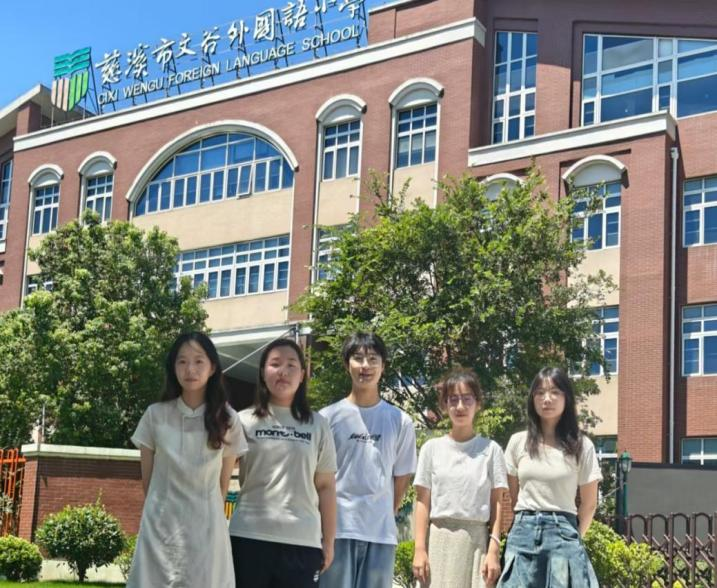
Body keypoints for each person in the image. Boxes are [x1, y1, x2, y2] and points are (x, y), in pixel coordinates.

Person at [127, 331, 247, 588]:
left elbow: (222, 486)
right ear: (173, 367)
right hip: (160, 530)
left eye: (198, 361)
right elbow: (148, 483)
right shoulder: (155, 416)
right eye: (182, 361)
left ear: (212, 367)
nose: (190, 369)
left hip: (207, 530)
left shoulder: (228, 419)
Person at [229, 338, 337, 588]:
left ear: (302, 375)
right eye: (275, 364)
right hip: (248, 537)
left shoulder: (318, 424)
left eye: (291, 365)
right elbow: (219, 476)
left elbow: (326, 487)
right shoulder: (242, 421)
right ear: (262, 373)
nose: (283, 372)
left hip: (302, 541)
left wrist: (329, 541)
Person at [319, 332, 417, 588]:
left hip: (380, 533)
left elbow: (402, 476)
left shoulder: (400, 421)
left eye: (373, 359)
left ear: (383, 366)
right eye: (358, 358)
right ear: (347, 364)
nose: (365, 366)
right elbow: (318, 477)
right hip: (337, 530)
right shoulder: (327, 418)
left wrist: (385, 511)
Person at [497, 367, 602, 587]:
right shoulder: (518, 442)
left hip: (564, 531)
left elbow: (590, 503)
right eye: (540, 392)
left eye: (555, 392)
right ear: (532, 399)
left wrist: (572, 535)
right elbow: (514, 496)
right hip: (523, 531)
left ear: (566, 398)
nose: (547, 399)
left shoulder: (582, 445)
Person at [413, 368, 508, 588]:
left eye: (467, 399)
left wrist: (494, 549)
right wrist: (419, 549)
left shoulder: (491, 450)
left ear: (478, 403)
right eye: (453, 399)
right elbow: (422, 502)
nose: (460, 406)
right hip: (438, 541)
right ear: (444, 405)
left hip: (476, 543)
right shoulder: (431, 449)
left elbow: (497, 502)